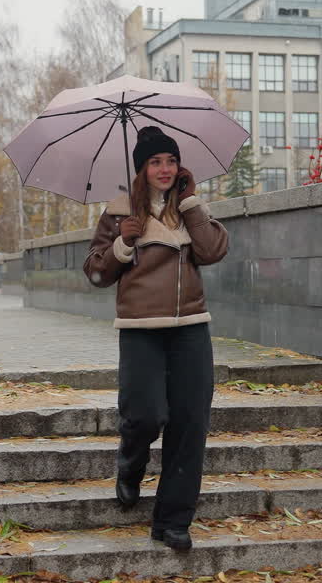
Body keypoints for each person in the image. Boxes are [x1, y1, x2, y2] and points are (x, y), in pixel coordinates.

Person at [83, 126, 229, 552]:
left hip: (191, 329)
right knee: (145, 414)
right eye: (154, 162)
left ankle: (173, 520)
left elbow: (213, 250)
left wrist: (191, 203)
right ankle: (131, 461)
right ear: (142, 169)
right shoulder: (118, 212)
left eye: (170, 161)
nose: (164, 169)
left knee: (190, 424)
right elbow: (95, 272)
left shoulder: (190, 208)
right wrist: (123, 244)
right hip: (140, 329)